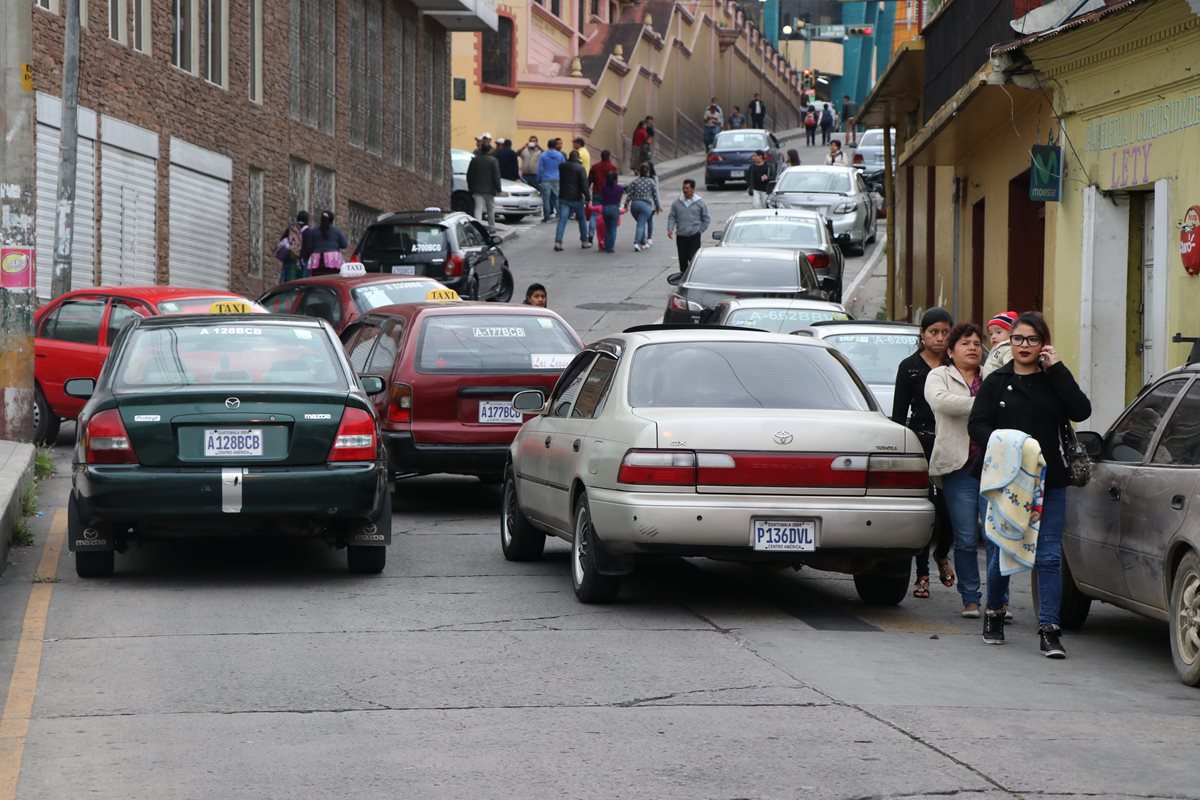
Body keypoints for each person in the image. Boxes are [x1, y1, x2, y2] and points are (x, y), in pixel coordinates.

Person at [969, 312, 1092, 657]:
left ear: (1044, 344)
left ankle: (1049, 628)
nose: (1024, 345)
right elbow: (977, 425)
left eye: (1032, 339)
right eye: (1018, 339)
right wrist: (1007, 444)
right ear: (1010, 342)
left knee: (1049, 556)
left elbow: (1081, 410)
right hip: (1006, 480)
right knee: (1002, 549)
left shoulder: (1054, 379)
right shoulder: (997, 381)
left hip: (1049, 480)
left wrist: (1058, 368)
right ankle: (994, 612)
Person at [926, 323, 1004, 619]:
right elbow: (942, 402)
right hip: (958, 468)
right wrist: (984, 404)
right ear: (950, 351)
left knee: (996, 537)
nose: (972, 348)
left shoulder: (993, 376)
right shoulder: (939, 376)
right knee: (967, 537)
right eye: (965, 343)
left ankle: (999, 601)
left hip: (993, 466)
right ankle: (970, 598)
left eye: (976, 343)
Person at [891, 307, 955, 599]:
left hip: (952, 444)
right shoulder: (909, 367)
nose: (940, 338)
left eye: (945, 332)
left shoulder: (956, 365)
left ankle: (941, 554)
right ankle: (922, 573)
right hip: (922, 444)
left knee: (949, 512)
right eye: (934, 332)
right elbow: (898, 414)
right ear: (922, 334)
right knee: (926, 510)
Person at [667, 179, 710, 272]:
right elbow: (672, 217)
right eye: (683, 188)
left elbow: (706, 218)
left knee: (693, 260)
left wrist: (699, 230)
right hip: (681, 236)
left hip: (694, 237)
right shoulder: (677, 203)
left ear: (693, 189)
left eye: (687, 188)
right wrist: (670, 229)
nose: (685, 190)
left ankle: (694, 276)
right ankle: (683, 277)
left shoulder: (700, 203)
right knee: (683, 261)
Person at [554, 150, 591, 251]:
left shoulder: (562, 166)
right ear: (578, 158)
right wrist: (587, 196)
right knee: (582, 219)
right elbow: (584, 184)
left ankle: (558, 242)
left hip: (564, 197)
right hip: (577, 198)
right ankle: (584, 241)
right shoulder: (580, 168)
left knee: (562, 219)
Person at [466, 142, 502, 233]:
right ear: (489, 150)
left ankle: (478, 229)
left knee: (478, 208)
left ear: (481, 150)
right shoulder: (493, 160)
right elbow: (496, 176)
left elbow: (469, 175)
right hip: (490, 189)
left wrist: (470, 187)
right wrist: (498, 189)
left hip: (477, 188)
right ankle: (492, 227)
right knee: (491, 208)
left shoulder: (474, 160)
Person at [625, 163, 660, 252]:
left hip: (634, 205)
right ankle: (636, 242)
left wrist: (626, 205)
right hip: (646, 206)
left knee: (641, 223)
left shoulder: (634, 181)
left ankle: (643, 243)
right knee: (641, 224)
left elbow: (629, 195)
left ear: (639, 171)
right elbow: (655, 196)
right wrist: (657, 206)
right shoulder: (651, 182)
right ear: (648, 172)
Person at [588, 149, 620, 244]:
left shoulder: (594, 167)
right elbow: (615, 182)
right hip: (608, 194)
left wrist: (586, 194)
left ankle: (591, 233)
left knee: (594, 215)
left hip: (596, 192)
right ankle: (605, 237)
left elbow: (589, 180)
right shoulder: (612, 167)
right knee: (607, 216)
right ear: (609, 157)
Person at [304, 210, 348, 276]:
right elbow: (344, 245)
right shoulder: (337, 231)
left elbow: (309, 247)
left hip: (317, 263)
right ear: (332, 221)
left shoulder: (313, 232)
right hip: (333, 262)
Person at [276, 210, 309, 283]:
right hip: (302, 261)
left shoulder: (291, 228)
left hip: (290, 258)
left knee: (288, 281)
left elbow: (282, 240)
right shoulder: (308, 231)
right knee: (301, 283)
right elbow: (309, 247)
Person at [982, 310, 1017, 377]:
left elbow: (1010, 368)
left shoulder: (1008, 349)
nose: (993, 336)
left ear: (1011, 333)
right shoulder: (996, 348)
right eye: (991, 334)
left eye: (998, 332)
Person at [538, 138, 566, 222]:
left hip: (545, 178)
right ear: (555, 145)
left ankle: (547, 217)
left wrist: (539, 178)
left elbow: (540, 169)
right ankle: (559, 215)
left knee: (546, 199)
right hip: (557, 178)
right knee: (557, 198)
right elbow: (563, 166)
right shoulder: (560, 155)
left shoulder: (543, 155)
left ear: (548, 145)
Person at [598, 170, 624, 253]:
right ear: (616, 179)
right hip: (615, 208)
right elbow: (620, 196)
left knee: (607, 228)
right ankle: (610, 247)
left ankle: (606, 245)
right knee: (613, 229)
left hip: (605, 208)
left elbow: (602, 198)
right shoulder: (620, 188)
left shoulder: (604, 188)